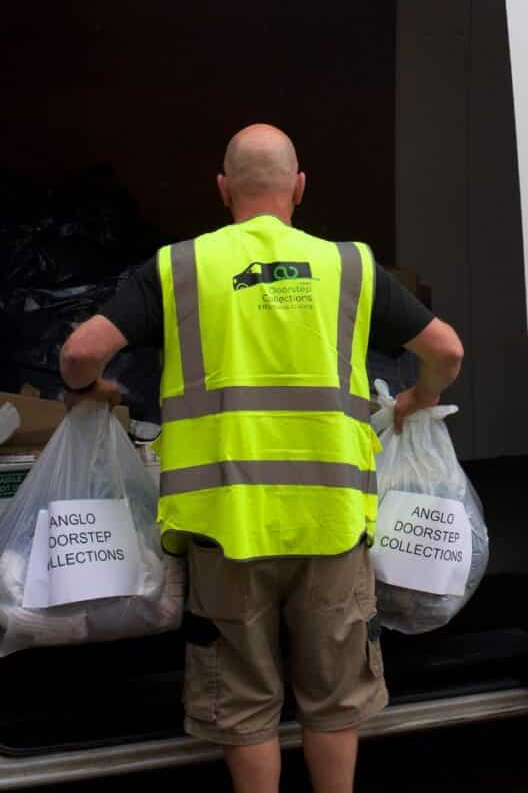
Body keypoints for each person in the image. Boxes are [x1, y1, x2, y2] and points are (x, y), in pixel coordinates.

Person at [59, 123, 463, 793]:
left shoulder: (179, 267)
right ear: (299, 188)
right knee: (333, 699)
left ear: (224, 190)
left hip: (227, 525)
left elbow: (79, 353)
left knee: (244, 703)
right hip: (332, 522)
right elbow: (445, 350)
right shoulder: (352, 267)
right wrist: (420, 397)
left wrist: (88, 391)